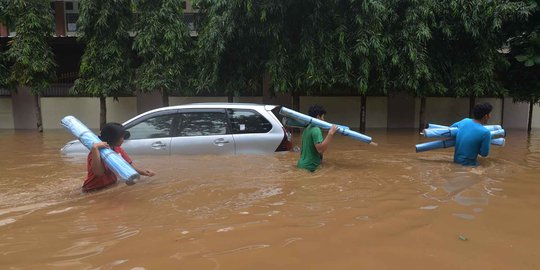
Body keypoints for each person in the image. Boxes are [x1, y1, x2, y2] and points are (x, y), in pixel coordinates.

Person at [83, 123, 155, 192]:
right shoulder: (96, 153)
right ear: (113, 138)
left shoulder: (118, 149)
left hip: (110, 186)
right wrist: (95, 148)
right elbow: (99, 173)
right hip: (93, 190)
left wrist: (144, 173)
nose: (123, 140)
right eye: (121, 137)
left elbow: (130, 164)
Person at [297, 105, 338, 172]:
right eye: (323, 117)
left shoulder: (307, 129)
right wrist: (330, 133)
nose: (324, 120)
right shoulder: (316, 129)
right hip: (310, 167)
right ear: (318, 117)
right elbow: (320, 150)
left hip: (301, 165)